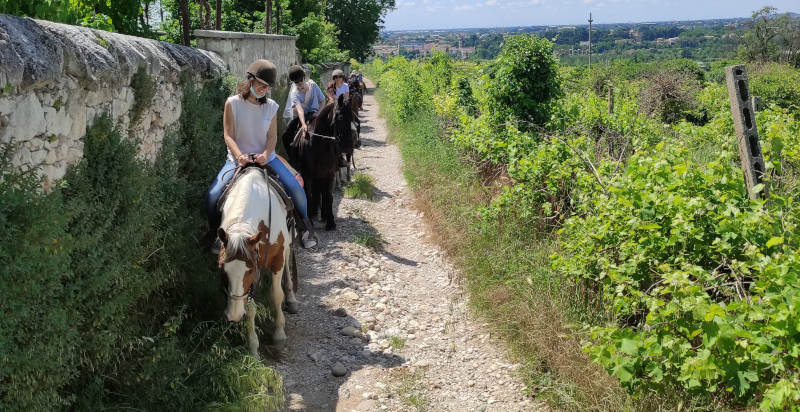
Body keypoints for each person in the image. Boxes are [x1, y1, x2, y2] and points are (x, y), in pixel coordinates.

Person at [204, 59, 318, 250]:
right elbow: (228, 135)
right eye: (261, 84)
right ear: (250, 79)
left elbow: (272, 137)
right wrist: (239, 156)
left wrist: (266, 154)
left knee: (296, 189)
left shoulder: (271, 106)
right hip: (237, 160)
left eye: (267, 87)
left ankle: (306, 228)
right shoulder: (232, 103)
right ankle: (215, 233)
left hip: (266, 158)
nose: (264, 89)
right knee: (212, 195)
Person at [282, 65, 326, 142]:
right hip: (302, 117)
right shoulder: (294, 94)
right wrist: (303, 124)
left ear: (304, 77)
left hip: (316, 113)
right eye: (296, 82)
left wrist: (318, 113)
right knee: (286, 136)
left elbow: (323, 101)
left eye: (300, 80)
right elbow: (300, 110)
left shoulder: (313, 85)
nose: (299, 82)